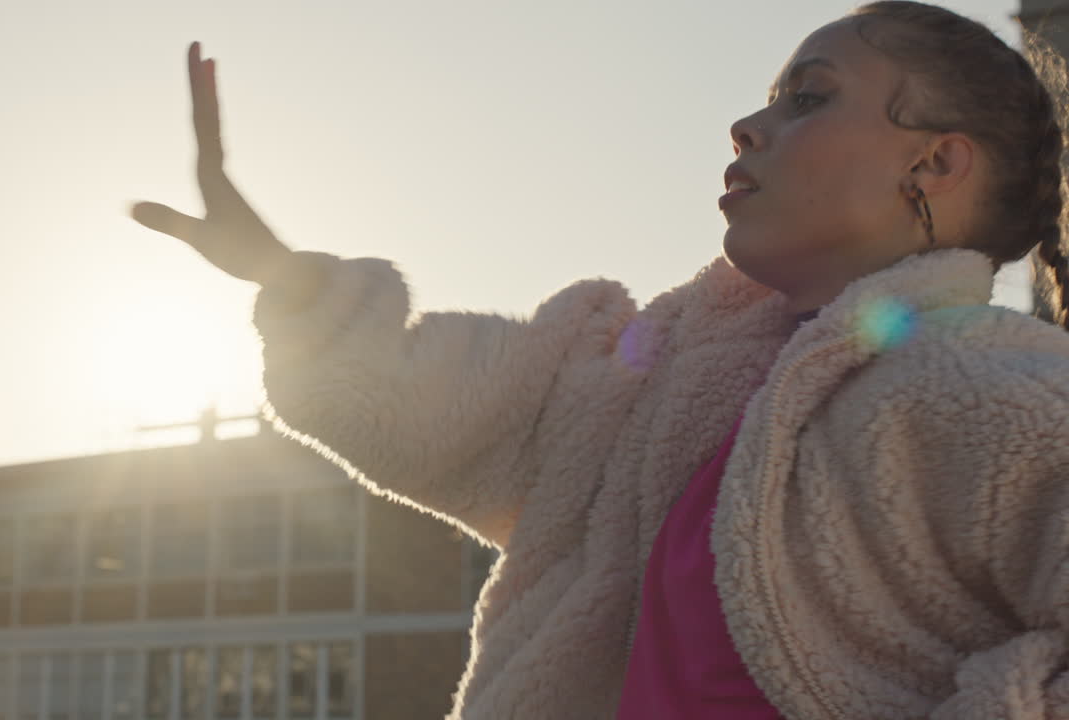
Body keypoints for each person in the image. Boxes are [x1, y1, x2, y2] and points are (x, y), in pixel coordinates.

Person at [132, 2, 1069, 718]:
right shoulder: (654, 380)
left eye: (809, 97)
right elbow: (429, 406)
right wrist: (285, 276)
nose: (747, 124)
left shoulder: (979, 386)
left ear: (936, 165)